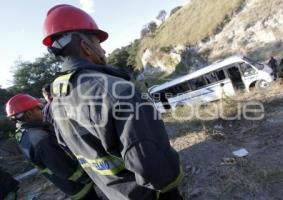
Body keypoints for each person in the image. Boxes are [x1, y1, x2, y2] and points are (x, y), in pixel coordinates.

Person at [42, 4, 183, 200]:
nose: (103, 49)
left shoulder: (57, 103)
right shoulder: (118, 91)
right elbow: (152, 163)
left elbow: (70, 151)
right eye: (98, 42)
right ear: (86, 47)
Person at [5, 94, 101, 200]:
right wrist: (86, 178)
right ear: (29, 114)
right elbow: (63, 167)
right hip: (77, 185)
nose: (42, 111)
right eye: (39, 108)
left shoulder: (22, 134)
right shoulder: (40, 139)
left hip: (64, 182)